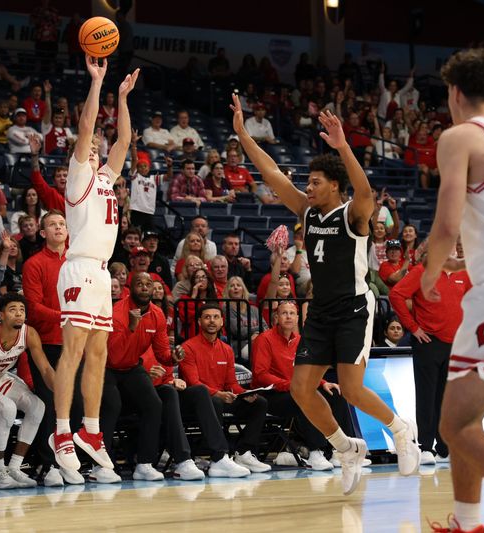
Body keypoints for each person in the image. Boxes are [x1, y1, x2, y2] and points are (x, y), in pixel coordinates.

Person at [230, 94, 420, 496]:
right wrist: (244, 134)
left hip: (354, 307)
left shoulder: (353, 213)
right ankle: (346, 448)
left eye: (316, 182)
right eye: (308, 182)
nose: (308, 187)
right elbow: (272, 175)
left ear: (335, 185)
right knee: (301, 389)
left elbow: (366, 191)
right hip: (320, 311)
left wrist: (343, 146)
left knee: (351, 387)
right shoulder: (308, 212)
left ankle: (402, 431)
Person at [419, 49, 484, 533]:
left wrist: (432, 270)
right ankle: (467, 523)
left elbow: (447, 219)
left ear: (454, 93)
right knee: (458, 420)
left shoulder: (459, 137)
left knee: (455, 427)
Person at [50, 56, 139, 475]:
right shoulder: (79, 175)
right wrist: (98, 83)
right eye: (90, 146)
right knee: (74, 351)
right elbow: (86, 128)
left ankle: (90, 430)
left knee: (99, 354)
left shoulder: (106, 177)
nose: (97, 146)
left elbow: (123, 142)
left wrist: (122, 98)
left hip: (102, 273)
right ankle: (62, 432)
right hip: (80, 267)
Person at [101, 273, 190, 482]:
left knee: (154, 404)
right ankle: (101, 466)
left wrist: (173, 358)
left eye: (148, 284)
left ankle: (144, 464)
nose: (144, 287)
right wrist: (132, 327)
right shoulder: (117, 312)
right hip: (106, 368)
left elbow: (162, 354)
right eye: (139, 284)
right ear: (130, 288)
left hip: (132, 367)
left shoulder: (157, 314)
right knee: (111, 405)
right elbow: (113, 355)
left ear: (153, 290)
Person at [390, 242, 470, 465]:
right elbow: (396, 294)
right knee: (427, 395)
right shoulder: (422, 271)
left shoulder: (463, 274)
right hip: (428, 342)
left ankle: (445, 446)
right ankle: (426, 447)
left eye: (453, 247)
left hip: (456, 344)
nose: (451, 250)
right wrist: (413, 327)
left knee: (448, 398)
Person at [22, 211, 85, 487]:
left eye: (62, 224)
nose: (58, 228)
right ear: (43, 232)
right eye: (52, 225)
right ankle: (49, 465)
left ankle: (69, 461)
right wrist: (65, 316)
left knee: (75, 405)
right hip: (46, 344)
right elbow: (33, 309)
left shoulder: (79, 263)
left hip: (75, 343)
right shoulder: (34, 264)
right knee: (50, 405)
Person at [0, 293, 55, 488]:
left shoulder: (29, 334)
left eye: (22, 310)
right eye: (13, 310)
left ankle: (14, 467)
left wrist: (60, 389)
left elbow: (46, 368)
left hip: (1, 377)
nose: (19, 314)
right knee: (7, 408)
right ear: (1, 315)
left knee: (38, 406)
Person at [252, 301, 350, 471]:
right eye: (284, 313)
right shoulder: (264, 339)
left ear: (297, 318)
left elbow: (308, 371)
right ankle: (315, 452)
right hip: (271, 394)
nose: (288, 316)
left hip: (296, 390)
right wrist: (291, 385)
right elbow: (261, 375)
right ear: (276, 317)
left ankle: (340, 450)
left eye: (292, 313)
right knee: (306, 396)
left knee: (335, 394)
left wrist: (324, 383)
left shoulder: (300, 341)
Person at [178, 304, 271, 473]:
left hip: (221, 397)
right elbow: (193, 383)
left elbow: (232, 384)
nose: (211, 321)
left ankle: (243, 452)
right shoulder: (188, 348)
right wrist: (219, 394)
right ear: (199, 322)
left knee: (259, 403)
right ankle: (217, 458)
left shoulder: (227, 350)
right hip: (198, 401)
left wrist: (245, 394)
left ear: (222, 322)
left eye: (215, 317)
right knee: (214, 401)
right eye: (207, 317)